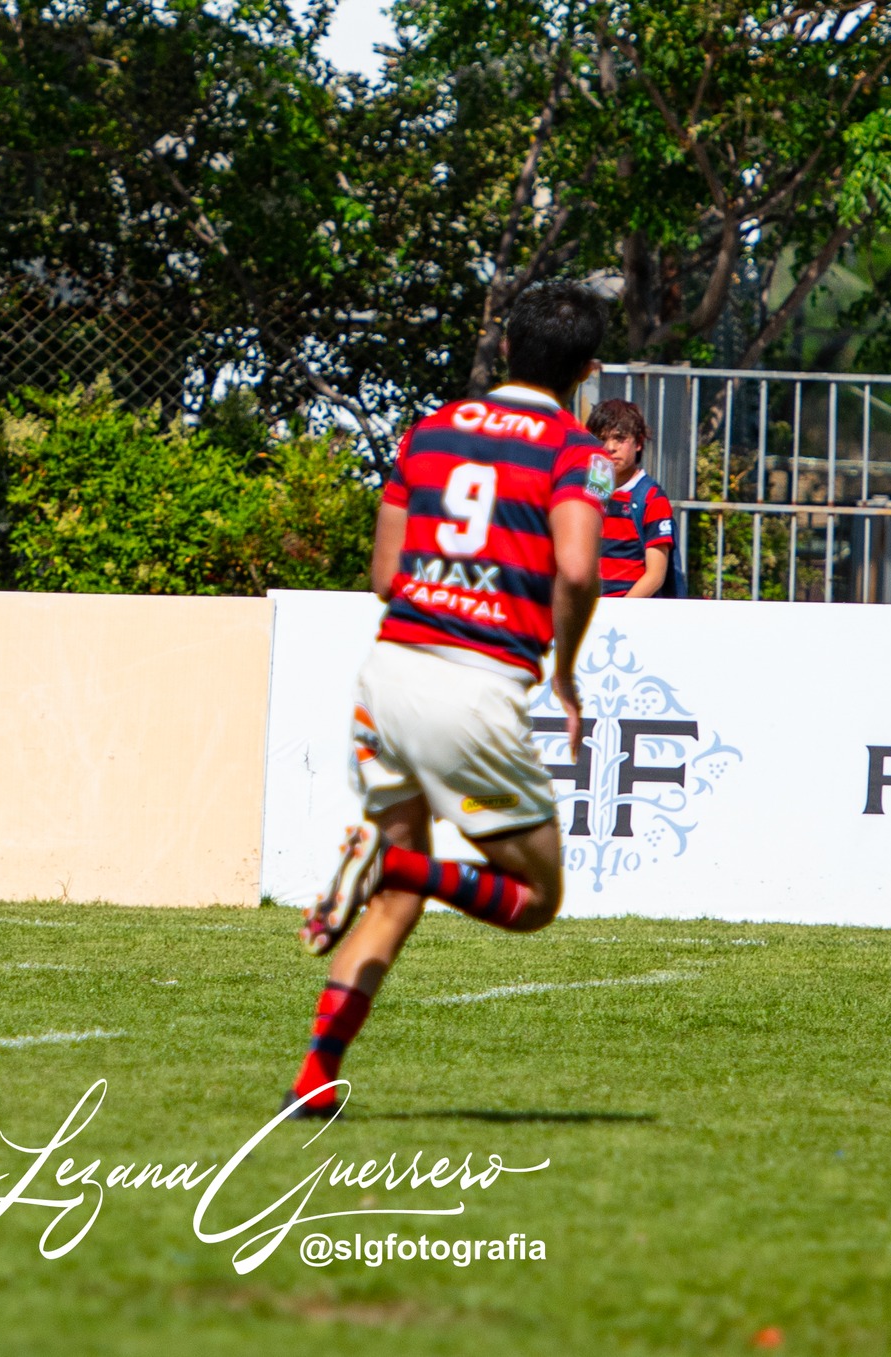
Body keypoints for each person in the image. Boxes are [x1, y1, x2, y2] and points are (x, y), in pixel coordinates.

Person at [286, 281, 613, 1116]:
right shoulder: (576, 452)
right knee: (535, 900)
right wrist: (565, 670)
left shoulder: (427, 431)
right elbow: (579, 569)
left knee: (396, 901)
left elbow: (384, 576)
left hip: (389, 674)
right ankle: (398, 863)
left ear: (504, 348)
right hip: (474, 685)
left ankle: (316, 1073)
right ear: (587, 371)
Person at [588, 398, 679, 598]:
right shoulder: (586, 493)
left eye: (619, 439)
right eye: (602, 439)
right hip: (589, 610)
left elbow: (655, 575)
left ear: (638, 443)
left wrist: (621, 610)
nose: (610, 447)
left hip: (629, 612)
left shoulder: (650, 498)